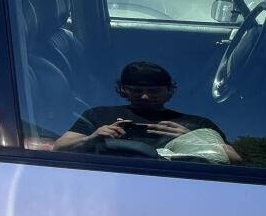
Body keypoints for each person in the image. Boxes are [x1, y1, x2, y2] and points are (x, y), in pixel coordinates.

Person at [54, 61, 241, 162]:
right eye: (136, 90)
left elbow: (235, 159)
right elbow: (59, 148)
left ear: (170, 92)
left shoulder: (198, 125)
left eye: (154, 92)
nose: (144, 97)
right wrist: (93, 138)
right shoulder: (98, 116)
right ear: (122, 90)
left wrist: (192, 139)